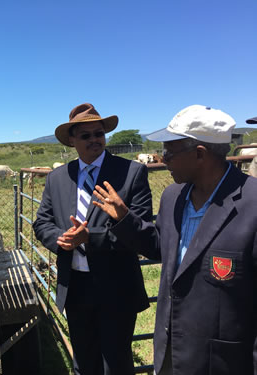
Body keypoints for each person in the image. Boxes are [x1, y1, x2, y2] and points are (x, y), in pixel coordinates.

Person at [93, 105, 257, 374]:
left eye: (170, 151)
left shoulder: (252, 204)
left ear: (200, 154)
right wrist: (125, 219)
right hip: (171, 351)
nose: (164, 158)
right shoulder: (173, 197)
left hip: (222, 361)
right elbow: (161, 247)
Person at [33, 103, 153, 375]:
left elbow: (140, 231)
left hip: (116, 286)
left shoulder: (131, 173)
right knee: (84, 361)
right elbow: (42, 222)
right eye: (85, 136)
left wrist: (89, 238)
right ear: (72, 140)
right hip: (75, 286)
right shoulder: (57, 178)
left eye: (99, 133)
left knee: (116, 363)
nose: (94, 140)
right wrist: (61, 239)